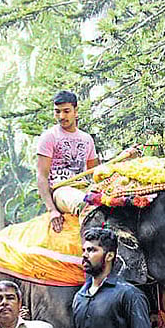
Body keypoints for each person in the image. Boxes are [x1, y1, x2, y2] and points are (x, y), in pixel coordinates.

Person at [37, 90, 98, 233]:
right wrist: (52, 210)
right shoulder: (49, 137)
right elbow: (41, 176)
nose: (61, 116)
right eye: (57, 112)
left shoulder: (87, 139)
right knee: (86, 203)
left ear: (76, 111)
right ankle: (90, 247)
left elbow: (96, 173)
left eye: (66, 111)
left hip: (84, 186)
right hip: (61, 190)